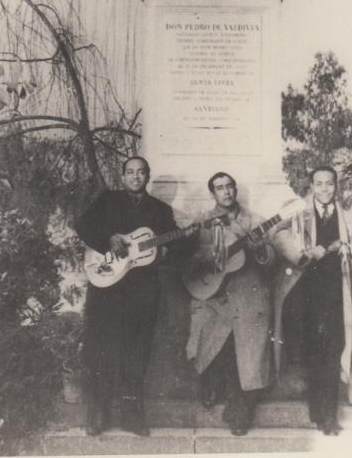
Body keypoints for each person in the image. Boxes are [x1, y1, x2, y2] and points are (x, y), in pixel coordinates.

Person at [74, 156, 186, 437]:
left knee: (137, 352)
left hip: (142, 292)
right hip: (107, 289)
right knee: (101, 348)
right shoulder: (107, 200)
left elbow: (175, 242)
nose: (135, 177)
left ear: (148, 177)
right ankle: (98, 413)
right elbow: (81, 225)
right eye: (130, 172)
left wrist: (173, 247)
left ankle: (131, 415)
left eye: (141, 172)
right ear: (123, 176)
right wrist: (108, 238)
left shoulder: (160, 211)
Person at [271, 166, 352, 435]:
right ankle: (319, 412)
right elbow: (276, 234)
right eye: (319, 184)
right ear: (311, 187)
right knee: (313, 352)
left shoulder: (347, 215)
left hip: (336, 292)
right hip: (305, 291)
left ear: (335, 186)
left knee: (334, 348)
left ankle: (328, 417)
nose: (325, 189)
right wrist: (303, 253)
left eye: (329, 183)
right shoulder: (298, 210)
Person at [185, 172, 275, 436]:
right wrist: (206, 258)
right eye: (219, 188)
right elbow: (189, 263)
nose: (225, 192)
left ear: (235, 190)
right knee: (210, 336)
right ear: (212, 194)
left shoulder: (255, 221)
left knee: (247, 354)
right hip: (215, 296)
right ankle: (211, 385)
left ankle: (240, 413)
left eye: (229, 187)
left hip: (249, 295)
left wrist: (259, 249)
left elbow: (270, 260)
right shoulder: (202, 222)